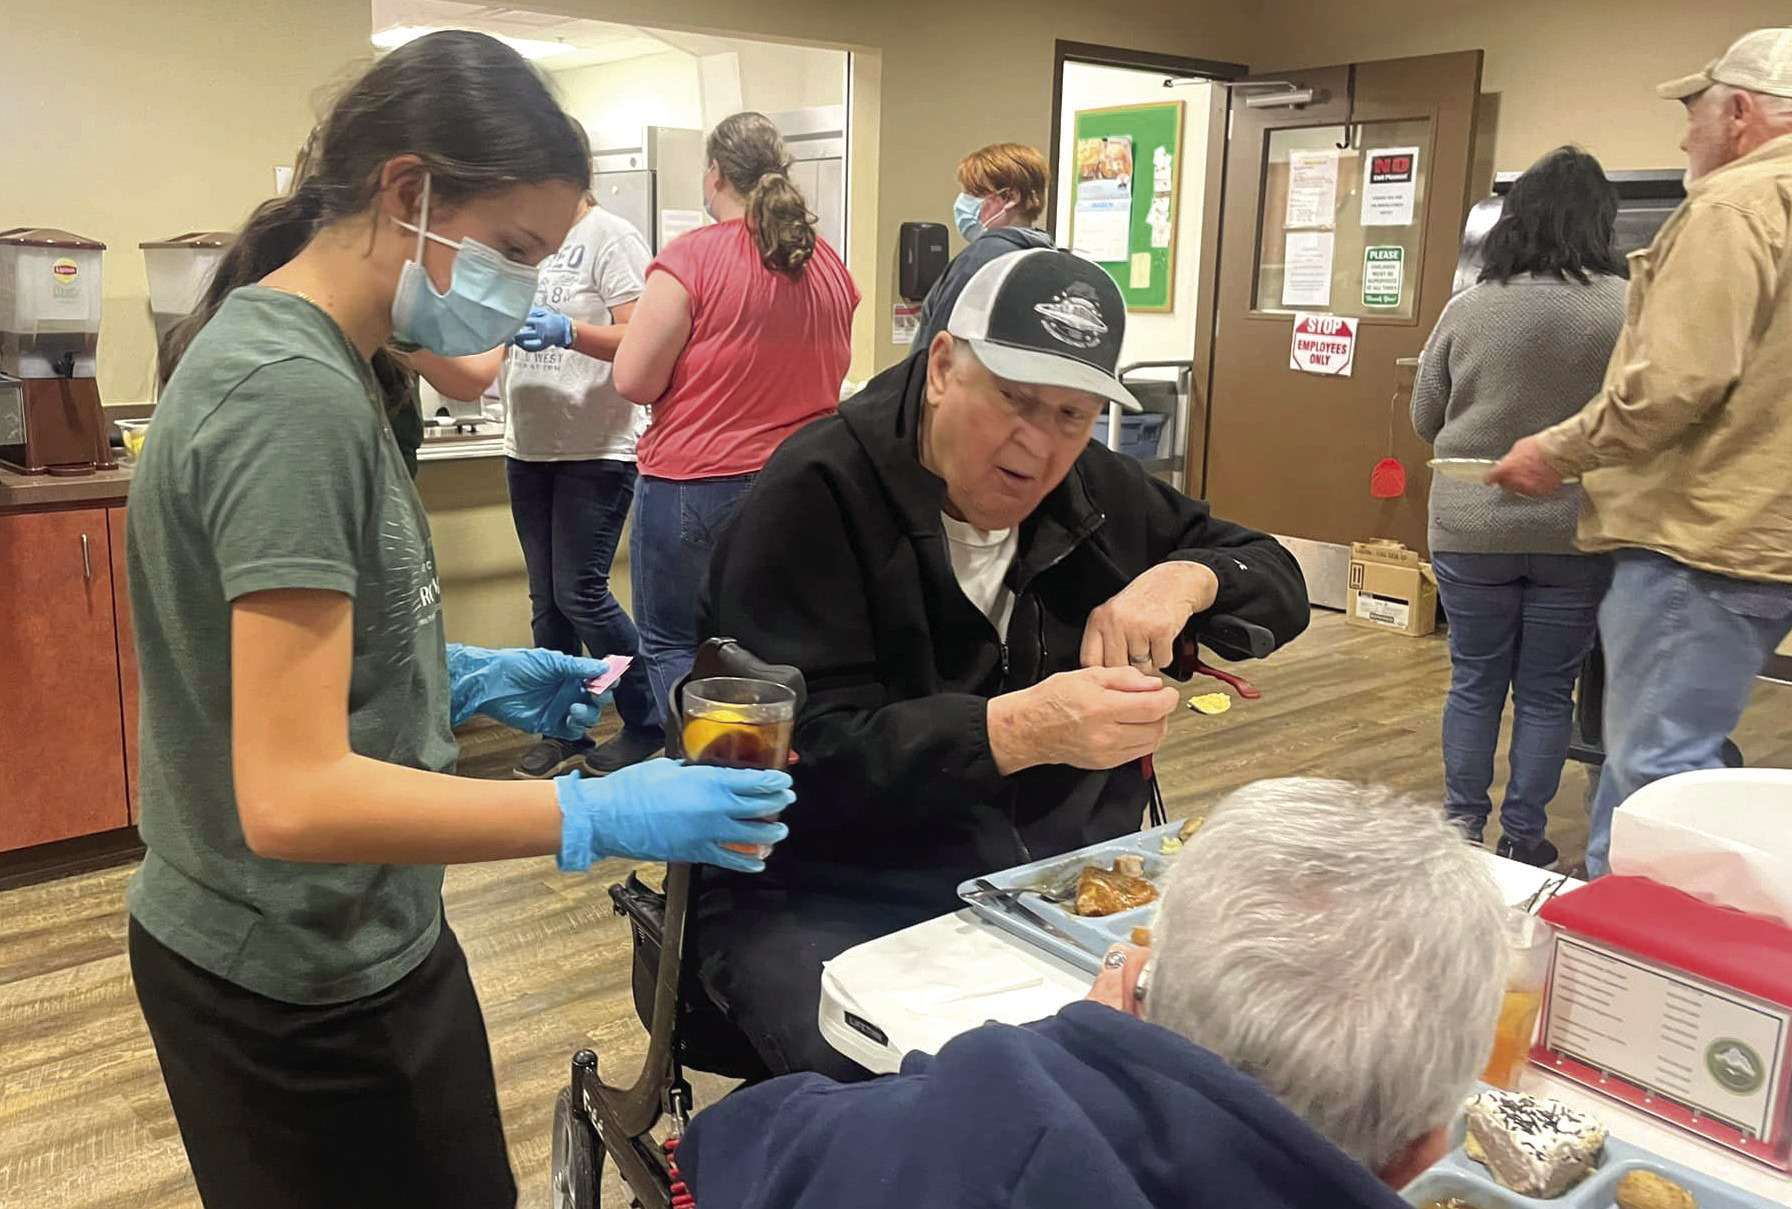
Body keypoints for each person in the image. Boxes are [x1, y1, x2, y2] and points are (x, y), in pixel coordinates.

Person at [125, 33, 792, 1209]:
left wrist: (456, 676)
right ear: (406, 192)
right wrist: (590, 810)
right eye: (511, 251)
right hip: (292, 973)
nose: (520, 292)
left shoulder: (329, 367)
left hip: (355, 931)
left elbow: (290, 662)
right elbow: (288, 795)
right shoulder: (287, 396)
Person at [693, 248, 1309, 1080]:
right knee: (934, 1099)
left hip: (1042, 875)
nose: (1037, 445)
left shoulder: (1092, 488)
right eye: (1013, 400)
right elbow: (787, 769)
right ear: (943, 366)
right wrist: (1017, 731)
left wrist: (1185, 577)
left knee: (1223, 1039)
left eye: (1072, 413)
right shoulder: (813, 495)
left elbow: (1271, 570)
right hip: (826, 885)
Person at [679, 779, 1509, 1209]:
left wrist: (1066, 1052)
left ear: (1140, 989)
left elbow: (730, 1144)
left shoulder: (975, 1123)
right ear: (1425, 1155)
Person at [1489, 28, 1792, 878]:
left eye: (1693, 113)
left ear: (1739, 112)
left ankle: (1623, 967)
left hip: (1699, 537)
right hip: (1767, 540)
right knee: (1685, 754)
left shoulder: (1734, 209)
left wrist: (1557, 450)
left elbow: (1673, 385)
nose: (1682, 135)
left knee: (1654, 776)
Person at [1411, 146, 1628, 868]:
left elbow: (1425, 415)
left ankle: (1462, 826)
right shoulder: (1627, 308)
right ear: (1603, 221)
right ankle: (1524, 837)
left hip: (1471, 524)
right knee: (1546, 691)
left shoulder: (1468, 306)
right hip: (1575, 529)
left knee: (1474, 679)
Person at [414, 192, 668, 779]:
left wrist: (567, 331)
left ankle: (645, 717)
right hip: (528, 445)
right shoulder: (523, 243)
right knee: (548, 604)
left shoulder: (612, 237)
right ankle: (563, 728)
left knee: (581, 593)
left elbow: (641, 338)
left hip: (596, 448)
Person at [613, 111, 860, 714]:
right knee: (773, 651)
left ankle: (702, 793)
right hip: (799, 487)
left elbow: (634, 379)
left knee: (677, 646)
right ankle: (771, 791)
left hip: (695, 485)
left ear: (715, 173)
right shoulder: (826, 264)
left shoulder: (692, 258)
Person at [910, 142, 1056, 351]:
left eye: (974, 193)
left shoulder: (980, 261)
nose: (963, 202)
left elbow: (937, 350)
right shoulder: (1046, 258)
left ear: (1011, 197)